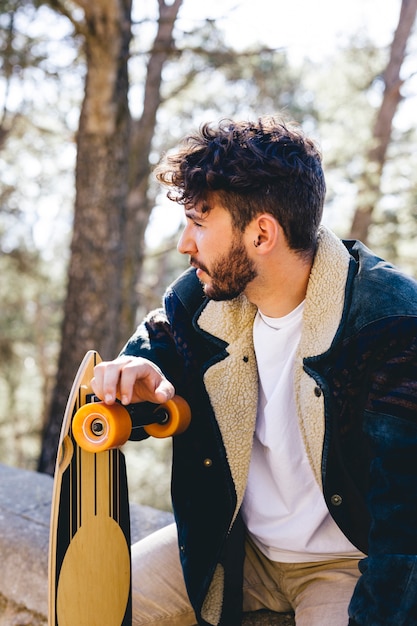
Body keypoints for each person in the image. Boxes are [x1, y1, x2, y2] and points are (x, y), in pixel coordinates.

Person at [91, 116, 417, 626]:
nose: (184, 243)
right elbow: (157, 349)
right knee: (96, 601)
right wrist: (140, 369)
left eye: (199, 222)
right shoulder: (199, 300)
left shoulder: (390, 325)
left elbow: (407, 524)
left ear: (262, 233)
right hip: (232, 544)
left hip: (342, 563)